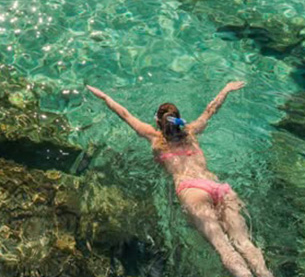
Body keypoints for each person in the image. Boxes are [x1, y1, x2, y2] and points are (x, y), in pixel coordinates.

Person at [86, 82, 274, 277]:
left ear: (158, 122)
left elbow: (124, 114)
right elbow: (211, 109)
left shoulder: (153, 137)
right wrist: (225, 89)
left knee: (224, 248)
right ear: (179, 119)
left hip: (192, 190)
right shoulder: (191, 131)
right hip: (218, 186)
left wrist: (103, 96)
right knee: (245, 244)